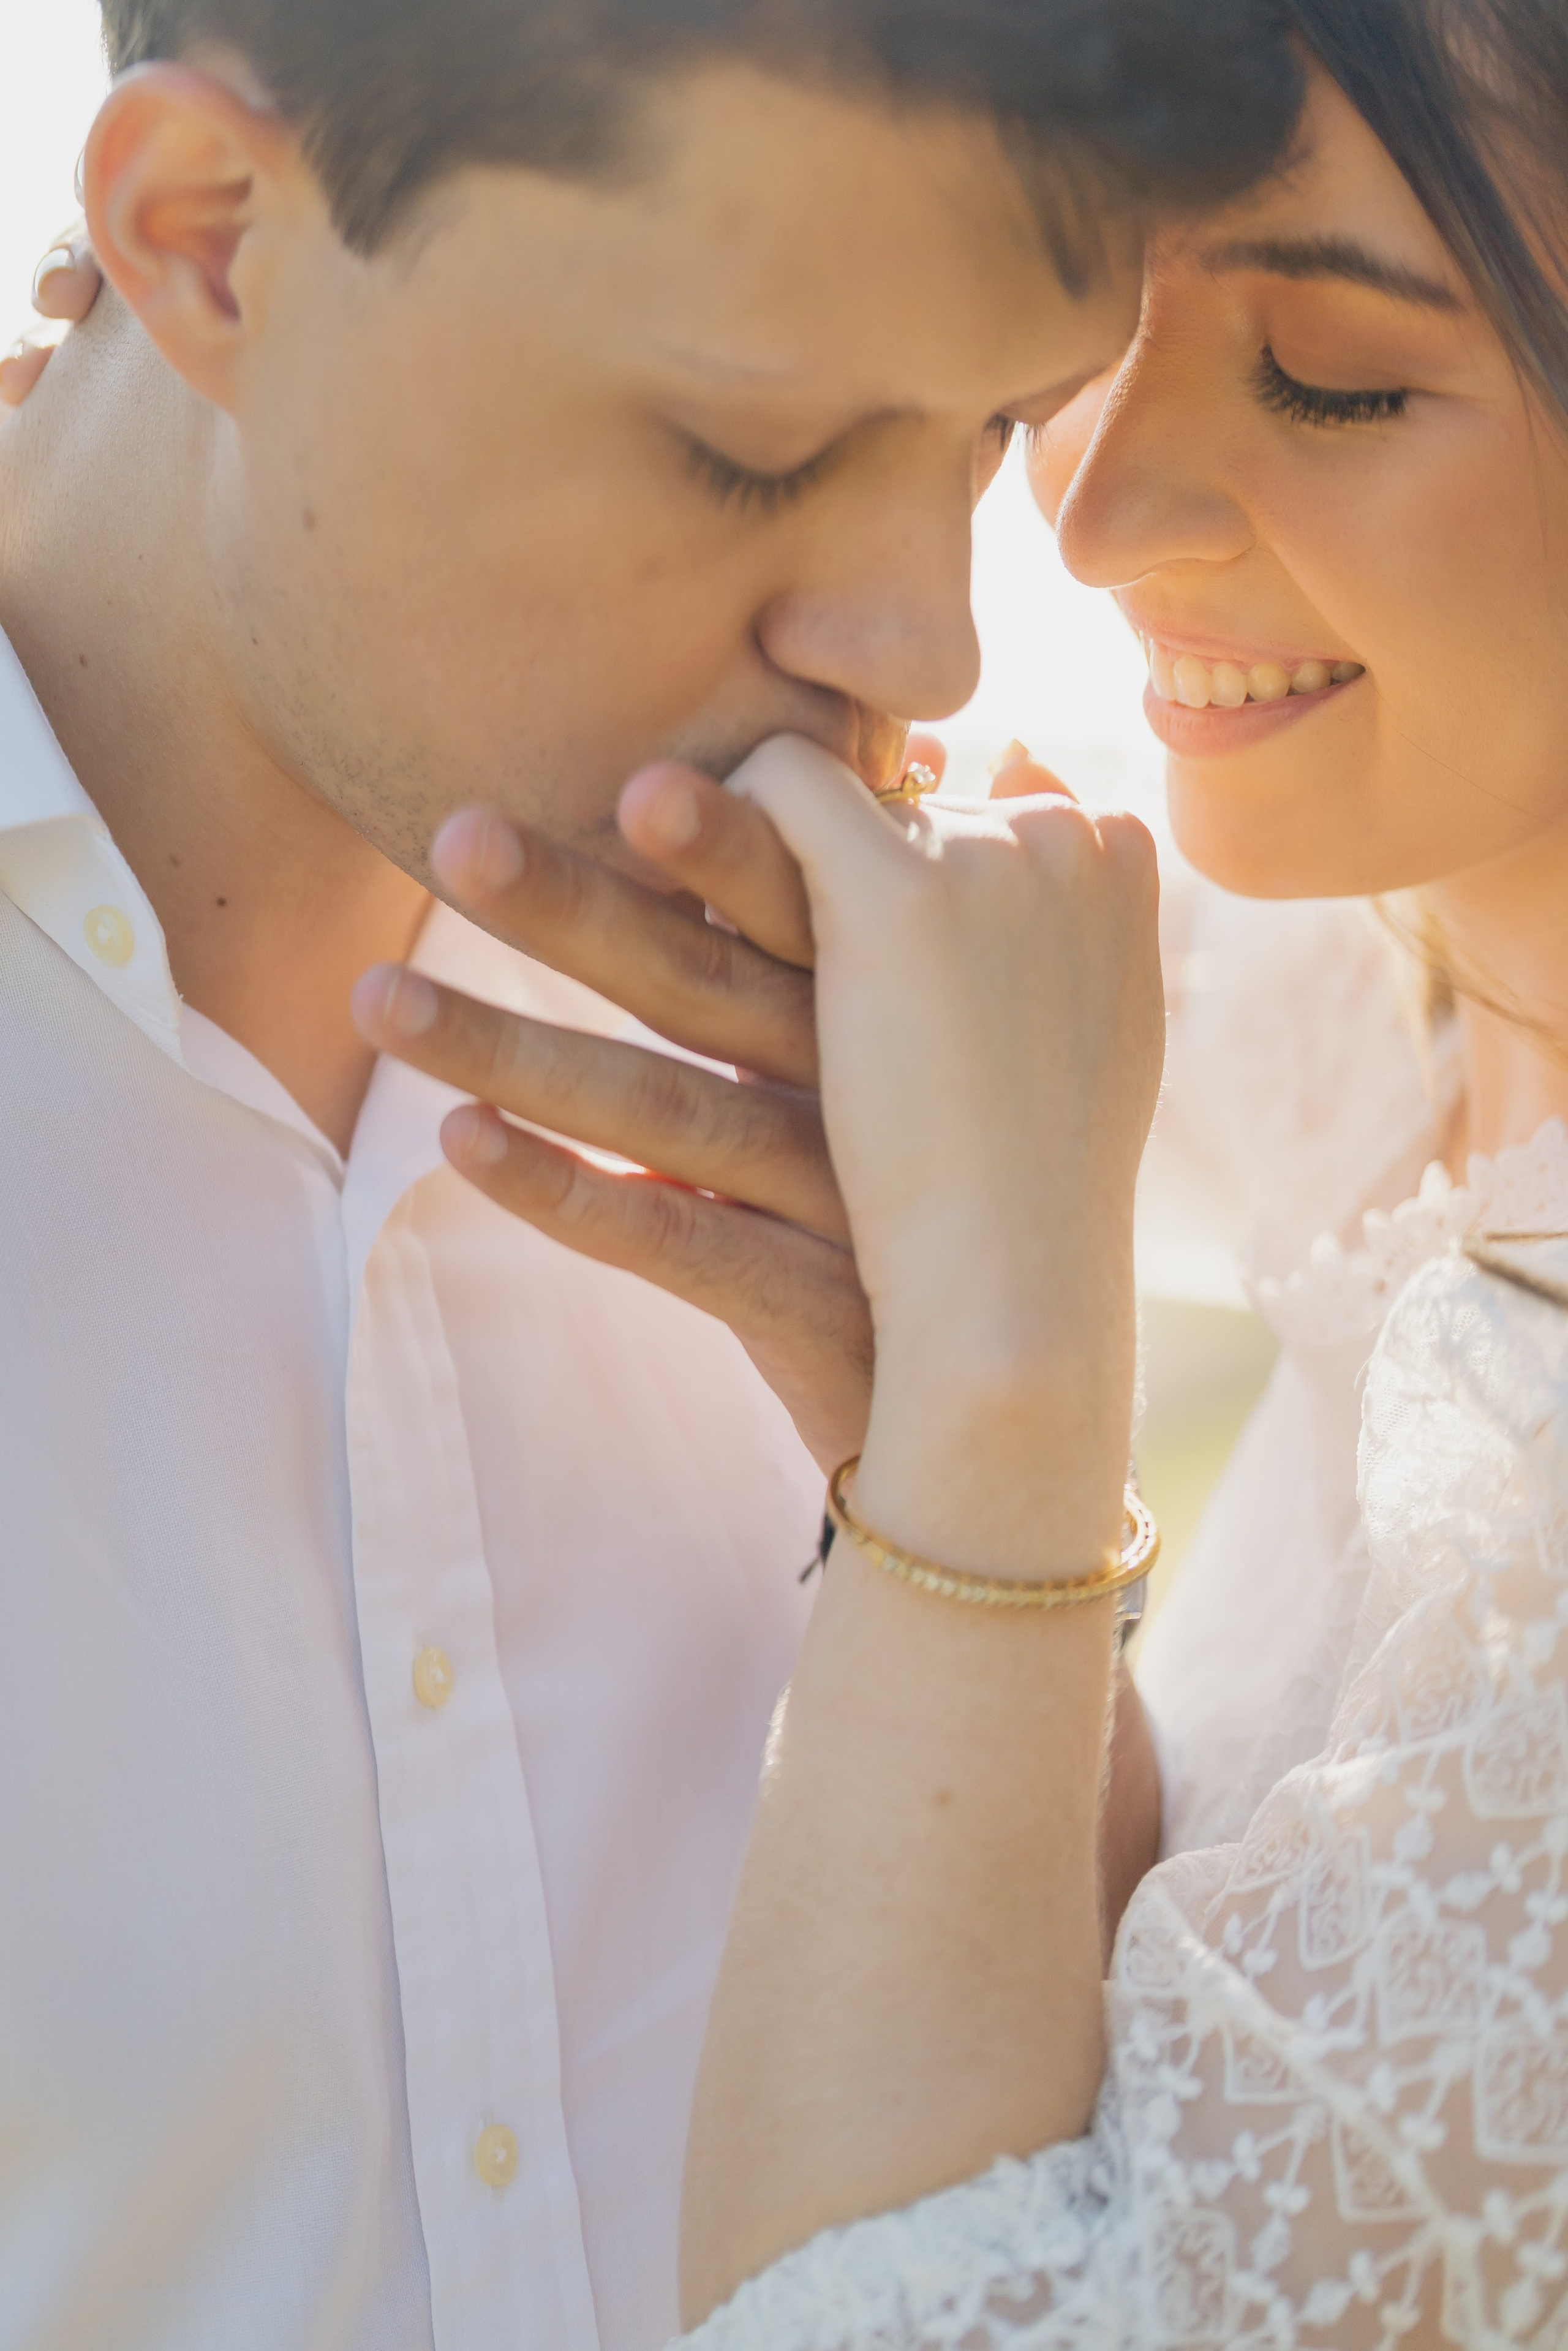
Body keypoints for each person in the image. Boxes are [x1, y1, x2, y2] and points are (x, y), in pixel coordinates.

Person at [0, 1, 1305, 2345]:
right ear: (206, 248)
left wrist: (983, 1447)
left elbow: (1085, 2214)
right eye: (747, 449)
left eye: (996, 424)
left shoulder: (917, 1061)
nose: (926, 639)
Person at [336, 0, 1568, 2336]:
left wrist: (991, 1444)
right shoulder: (1333, 995)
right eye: (1090, 327)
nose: (1087, 514)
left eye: (1322, 371)